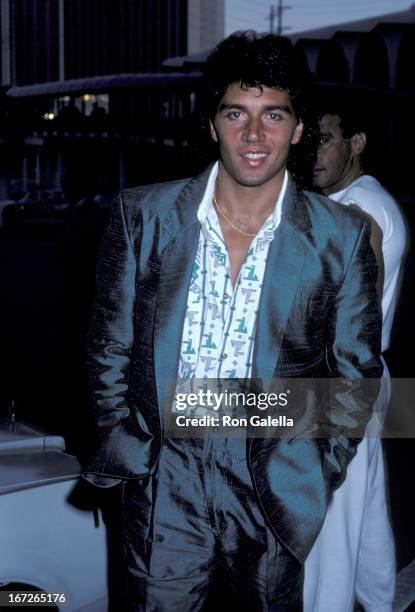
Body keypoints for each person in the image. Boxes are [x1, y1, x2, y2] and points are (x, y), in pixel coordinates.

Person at [84, 32, 382, 611]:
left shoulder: (340, 238)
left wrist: (317, 470)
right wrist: (128, 442)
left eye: (273, 115)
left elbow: (354, 376)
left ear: (297, 129)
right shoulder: (141, 216)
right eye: (235, 114)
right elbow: (107, 348)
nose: (253, 135)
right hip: (165, 469)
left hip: (271, 473)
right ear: (212, 123)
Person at [304, 100, 407, 612]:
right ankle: (382, 601)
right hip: (368, 378)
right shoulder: (367, 200)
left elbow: (353, 319)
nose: (313, 153)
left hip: (341, 381)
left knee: (328, 535)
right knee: (364, 515)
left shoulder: (356, 213)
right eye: (311, 140)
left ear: (356, 143)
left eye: (325, 139)